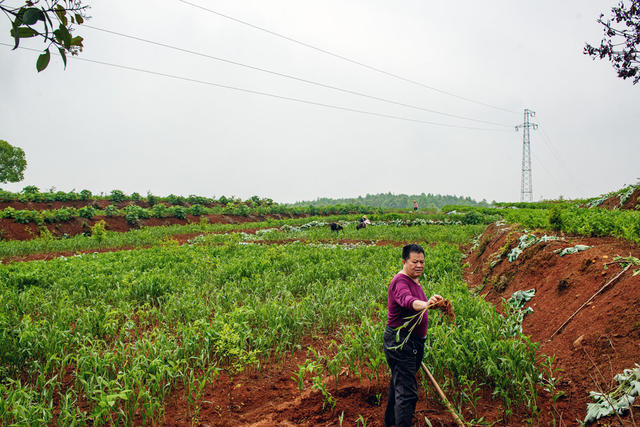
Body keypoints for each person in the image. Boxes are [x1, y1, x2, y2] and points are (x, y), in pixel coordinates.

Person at [383, 243, 443, 427]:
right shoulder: (400, 282)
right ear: (404, 261)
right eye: (414, 262)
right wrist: (425, 305)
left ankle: (391, 422)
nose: (419, 265)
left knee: (399, 383)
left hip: (411, 343)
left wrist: (431, 302)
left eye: (422, 262)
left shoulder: (414, 280)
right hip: (402, 343)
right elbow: (407, 301)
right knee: (407, 392)